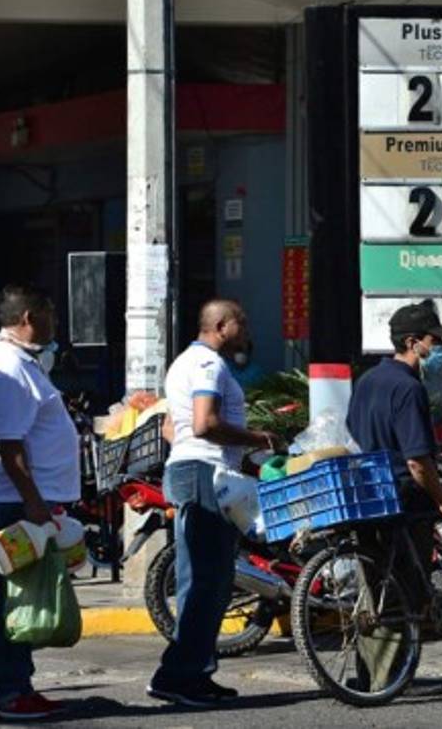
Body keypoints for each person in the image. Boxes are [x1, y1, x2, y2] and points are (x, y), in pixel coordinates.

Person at [148, 299, 282, 707]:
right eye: (240, 322)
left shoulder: (182, 364)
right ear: (222, 325)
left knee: (205, 580)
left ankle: (196, 672)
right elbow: (204, 423)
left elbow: (173, 427)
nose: (246, 330)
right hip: (204, 475)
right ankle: (179, 676)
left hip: (194, 469)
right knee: (208, 581)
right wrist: (257, 439)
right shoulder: (209, 366)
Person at [0, 285, 79, 720]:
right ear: (31, 317)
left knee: (23, 600)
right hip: (16, 503)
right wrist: (33, 501)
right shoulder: (7, 367)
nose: (56, 321)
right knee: (13, 602)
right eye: (51, 311)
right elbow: (10, 445)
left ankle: (16, 684)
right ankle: (0, 693)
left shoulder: (22, 362)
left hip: (29, 499)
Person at [346, 303, 442, 527]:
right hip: (404, 501)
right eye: (435, 341)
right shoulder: (409, 388)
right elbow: (417, 462)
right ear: (412, 343)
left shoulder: (366, 380)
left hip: (369, 496)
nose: (441, 348)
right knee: (416, 561)